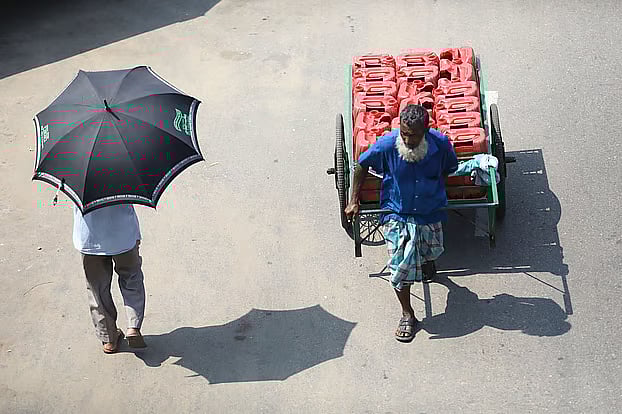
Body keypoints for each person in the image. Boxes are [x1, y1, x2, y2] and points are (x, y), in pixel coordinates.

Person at [345, 104, 458, 342]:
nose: (407, 139)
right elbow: (361, 165)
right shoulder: (388, 145)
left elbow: (450, 167)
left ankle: (427, 262)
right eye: (404, 134)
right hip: (398, 213)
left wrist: (432, 188)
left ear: (425, 131)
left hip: (429, 212)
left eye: (414, 136)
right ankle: (408, 313)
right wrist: (353, 200)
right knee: (400, 267)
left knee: (432, 251)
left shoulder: (440, 145)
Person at [73, 203, 147, 353]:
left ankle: (109, 339)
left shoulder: (78, 179)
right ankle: (133, 326)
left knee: (97, 288)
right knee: (132, 279)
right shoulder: (126, 177)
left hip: (90, 239)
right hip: (124, 235)